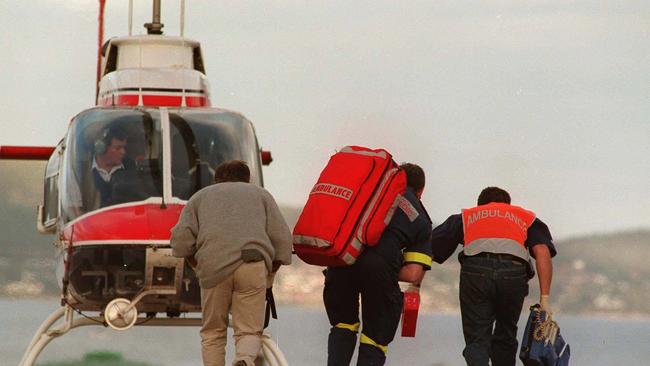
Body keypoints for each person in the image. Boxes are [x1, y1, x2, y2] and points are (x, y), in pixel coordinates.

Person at [170, 160, 293, 366]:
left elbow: (181, 241)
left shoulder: (199, 197)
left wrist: (197, 265)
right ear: (247, 179)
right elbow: (283, 241)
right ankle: (244, 360)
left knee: (213, 332)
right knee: (248, 330)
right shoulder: (262, 195)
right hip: (252, 264)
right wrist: (269, 271)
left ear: (216, 180)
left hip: (213, 267)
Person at [430, 186, 556, 366]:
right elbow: (542, 251)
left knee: (477, 339)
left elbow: (429, 249)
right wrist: (545, 299)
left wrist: (413, 284)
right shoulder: (524, 217)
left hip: (476, 273)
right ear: (508, 205)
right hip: (513, 274)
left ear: (480, 205)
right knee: (505, 335)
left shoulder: (467, 216)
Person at [324, 163, 433, 366]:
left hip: (343, 260)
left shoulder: (367, 191)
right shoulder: (421, 219)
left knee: (343, 323)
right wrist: (389, 266)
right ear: (420, 191)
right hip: (380, 269)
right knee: (375, 336)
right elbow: (412, 274)